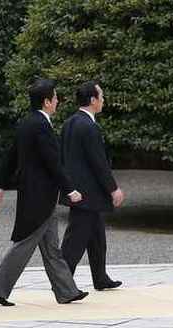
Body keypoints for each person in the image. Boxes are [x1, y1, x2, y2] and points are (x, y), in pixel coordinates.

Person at [0, 79, 90, 306]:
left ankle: (67, 291)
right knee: (24, 243)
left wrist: (0, 183)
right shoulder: (41, 126)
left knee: (52, 248)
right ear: (46, 102)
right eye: (55, 98)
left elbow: (11, 156)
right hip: (40, 197)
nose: (58, 101)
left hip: (38, 195)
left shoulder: (27, 123)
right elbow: (52, 163)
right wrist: (70, 189)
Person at [59, 81, 124, 291]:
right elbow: (98, 162)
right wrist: (113, 188)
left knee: (96, 236)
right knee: (75, 240)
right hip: (87, 192)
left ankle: (100, 277)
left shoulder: (70, 122)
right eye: (101, 97)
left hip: (79, 189)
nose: (103, 100)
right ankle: (63, 283)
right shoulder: (89, 126)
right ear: (93, 100)